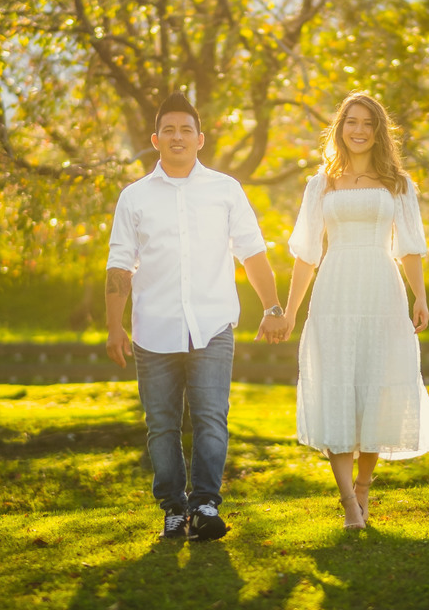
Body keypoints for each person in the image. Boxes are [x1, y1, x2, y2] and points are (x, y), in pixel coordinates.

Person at [105, 91, 290, 542]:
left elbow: (253, 252)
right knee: (161, 425)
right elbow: (118, 264)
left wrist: (273, 307)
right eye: (168, 129)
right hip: (154, 330)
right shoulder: (134, 197)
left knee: (211, 418)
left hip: (212, 327)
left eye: (185, 129)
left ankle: (205, 504)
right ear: (155, 139)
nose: (177, 136)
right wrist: (114, 325)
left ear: (200, 138)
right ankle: (173, 508)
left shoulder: (225, 190)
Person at [283, 91, 429, 529]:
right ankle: (348, 502)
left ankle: (365, 488)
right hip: (335, 290)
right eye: (351, 121)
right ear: (340, 128)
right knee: (336, 385)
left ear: (378, 131)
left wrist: (421, 296)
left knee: (376, 386)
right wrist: (292, 311)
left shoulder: (399, 184)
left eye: (367, 123)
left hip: (381, 289)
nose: (358, 130)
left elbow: (409, 248)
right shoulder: (320, 184)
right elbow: (306, 253)